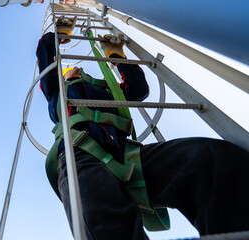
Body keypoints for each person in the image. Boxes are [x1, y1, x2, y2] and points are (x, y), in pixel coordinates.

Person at [36, 16, 249, 240]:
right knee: (105, 222)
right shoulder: (58, 91)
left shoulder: (107, 91)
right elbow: (45, 55)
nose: (73, 68)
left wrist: (115, 55)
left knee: (210, 159)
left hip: (127, 154)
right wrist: (60, 34)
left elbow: (138, 91)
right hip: (78, 151)